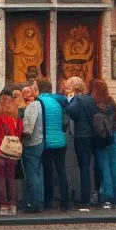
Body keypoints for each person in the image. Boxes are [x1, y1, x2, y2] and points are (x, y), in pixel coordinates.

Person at [89, 78, 116, 210]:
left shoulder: (94, 104)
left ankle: (107, 199)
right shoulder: (111, 101)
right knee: (115, 169)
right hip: (112, 138)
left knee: (105, 170)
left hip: (100, 140)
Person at [38, 79, 71, 211]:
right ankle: (65, 201)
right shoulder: (58, 101)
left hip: (46, 142)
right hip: (60, 141)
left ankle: (48, 201)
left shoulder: (38, 101)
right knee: (61, 170)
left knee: (48, 172)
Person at [63, 76, 95, 211]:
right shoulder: (89, 99)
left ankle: (85, 200)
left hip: (81, 135)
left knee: (83, 167)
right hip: (91, 135)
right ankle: (87, 197)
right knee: (86, 167)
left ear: (74, 88)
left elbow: (70, 111)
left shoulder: (77, 100)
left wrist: (69, 99)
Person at [0, 93, 23, 215]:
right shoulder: (17, 119)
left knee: (1, 179)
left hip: (0, 151)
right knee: (11, 179)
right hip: (13, 152)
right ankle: (13, 205)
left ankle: (3, 206)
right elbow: (19, 134)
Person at [21, 83, 45, 213]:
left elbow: (28, 129)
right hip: (40, 141)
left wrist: (21, 133)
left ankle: (34, 203)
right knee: (37, 172)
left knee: (32, 174)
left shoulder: (31, 107)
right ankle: (37, 200)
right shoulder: (39, 105)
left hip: (32, 143)